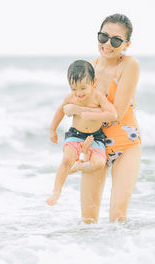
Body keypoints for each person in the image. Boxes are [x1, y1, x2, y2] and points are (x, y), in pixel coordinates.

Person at [63, 14, 141, 223]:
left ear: (126, 44)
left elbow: (116, 112)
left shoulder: (129, 65)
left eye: (116, 40)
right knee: (87, 220)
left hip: (126, 145)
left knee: (118, 216)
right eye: (103, 37)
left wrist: (80, 112)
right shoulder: (88, 67)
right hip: (95, 144)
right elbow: (74, 103)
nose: (108, 44)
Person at [46, 60, 117, 206]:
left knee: (99, 163)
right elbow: (60, 111)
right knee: (66, 160)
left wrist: (87, 113)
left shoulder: (97, 97)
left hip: (95, 136)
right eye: (74, 89)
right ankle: (56, 191)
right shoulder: (70, 98)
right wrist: (53, 129)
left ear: (94, 82)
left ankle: (80, 164)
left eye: (83, 88)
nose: (78, 93)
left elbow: (112, 114)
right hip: (75, 135)